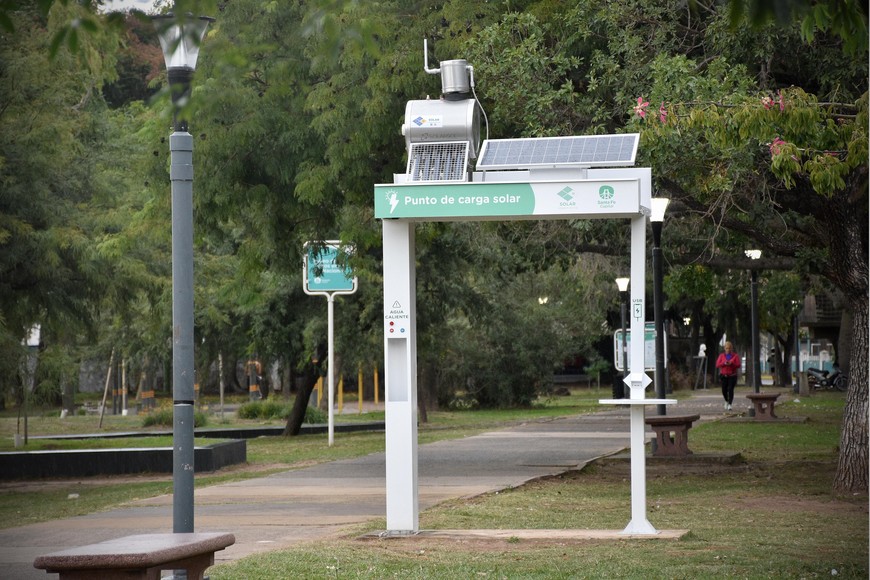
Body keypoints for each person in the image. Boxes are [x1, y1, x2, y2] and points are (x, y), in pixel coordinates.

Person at [715, 341, 741, 411]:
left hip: (732, 376)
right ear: (724, 348)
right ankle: (726, 400)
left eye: (729, 348)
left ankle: (730, 404)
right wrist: (724, 363)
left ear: (731, 349)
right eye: (726, 348)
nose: (728, 350)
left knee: (730, 389)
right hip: (724, 375)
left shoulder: (735, 356)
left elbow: (738, 365)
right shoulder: (721, 356)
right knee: (724, 390)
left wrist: (732, 363)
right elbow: (717, 365)